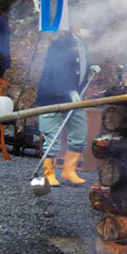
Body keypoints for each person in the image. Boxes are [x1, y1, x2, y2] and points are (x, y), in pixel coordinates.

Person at [35, 28, 90, 185]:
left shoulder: (82, 44)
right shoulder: (61, 43)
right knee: (52, 137)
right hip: (53, 96)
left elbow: (82, 65)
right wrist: (67, 89)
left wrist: (91, 68)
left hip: (77, 96)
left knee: (79, 135)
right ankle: (48, 172)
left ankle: (69, 170)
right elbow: (57, 69)